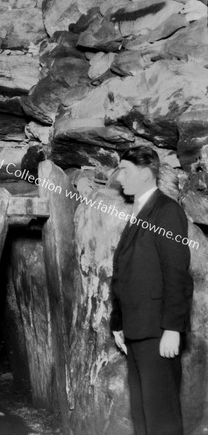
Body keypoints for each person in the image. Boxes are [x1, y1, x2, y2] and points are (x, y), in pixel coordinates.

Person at [109, 146, 193, 435]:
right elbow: (123, 274)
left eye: (125, 170)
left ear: (146, 174)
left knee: (161, 416)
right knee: (142, 415)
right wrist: (118, 323)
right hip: (136, 329)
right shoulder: (140, 212)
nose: (119, 177)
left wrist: (172, 328)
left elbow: (176, 274)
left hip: (157, 331)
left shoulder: (167, 212)